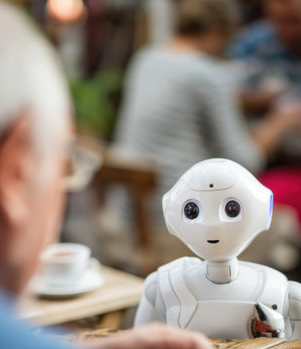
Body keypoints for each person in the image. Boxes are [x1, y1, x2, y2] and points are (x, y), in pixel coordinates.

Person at [0, 2, 260, 349]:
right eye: (64, 163)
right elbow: (250, 158)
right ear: (16, 169)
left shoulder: (148, 58)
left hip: (129, 217)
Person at [112, 0, 301, 225]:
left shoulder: (146, 58)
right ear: (217, 33)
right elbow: (244, 163)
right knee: (282, 222)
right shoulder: (207, 75)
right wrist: (280, 121)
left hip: (126, 215)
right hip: (178, 221)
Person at [229, 0, 301, 115]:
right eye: (282, 21)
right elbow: (228, 93)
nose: (291, 30)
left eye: (296, 21)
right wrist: (258, 100)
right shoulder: (251, 44)